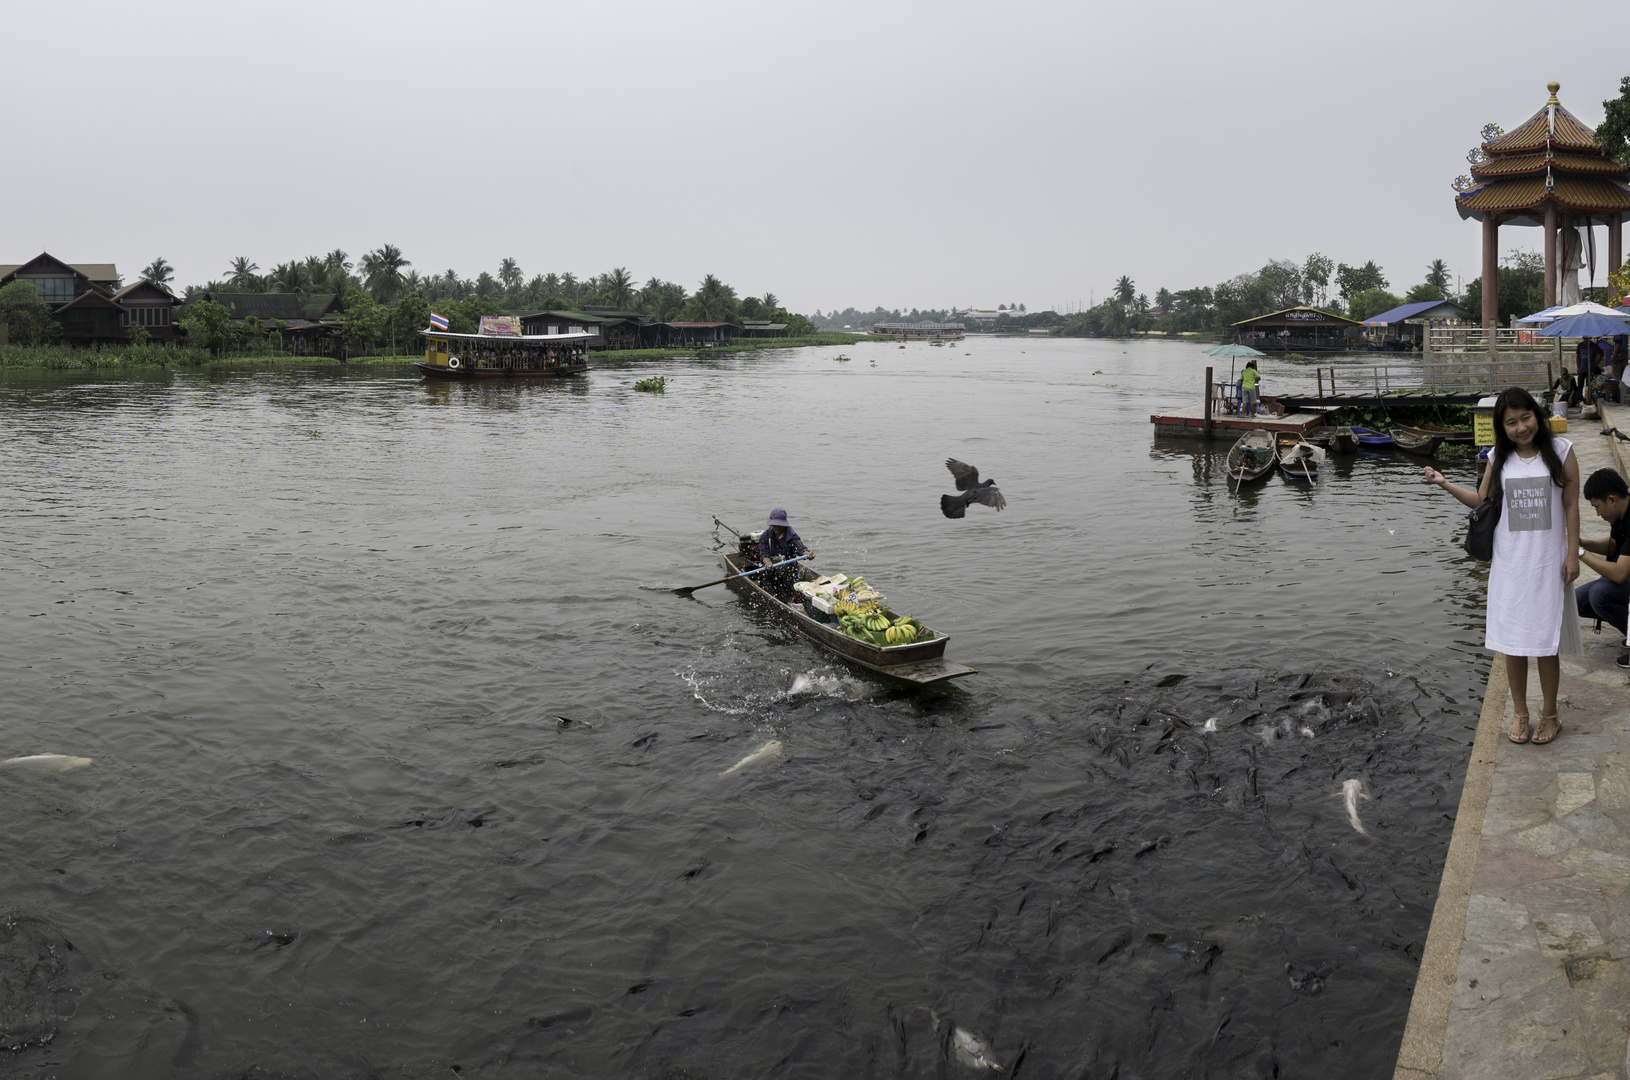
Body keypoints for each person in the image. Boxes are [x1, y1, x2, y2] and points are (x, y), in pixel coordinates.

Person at [1423, 387, 1580, 745]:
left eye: (1525, 418)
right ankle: (1521, 713)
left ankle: (1550, 714)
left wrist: (1572, 553)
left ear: (1537, 417)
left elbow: (1571, 505)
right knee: (1513, 642)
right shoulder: (1499, 458)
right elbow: (1481, 501)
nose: (1521, 427)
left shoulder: (1562, 451)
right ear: (1502, 426)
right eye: (1511, 422)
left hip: (1547, 561)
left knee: (1544, 642)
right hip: (1511, 562)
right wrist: (1444, 483)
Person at [1577, 468, 1630, 667]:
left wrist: (1579, 552)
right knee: (1578, 601)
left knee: (1601, 594)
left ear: (1611, 499)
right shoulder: (1621, 512)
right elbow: (1616, 544)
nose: (1598, 514)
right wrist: (1584, 543)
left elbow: (1619, 574)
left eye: (1597, 507)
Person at [758, 508, 813, 601]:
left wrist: (807, 554)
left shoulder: (791, 536)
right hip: (771, 569)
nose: (777, 528)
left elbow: (800, 548)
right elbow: (764, 554)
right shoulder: (765, 536)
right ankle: (773, 597)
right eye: (775, 525)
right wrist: (768, 563)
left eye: (780, 525)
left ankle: (787, 599)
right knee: (764, 575)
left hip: (789, 570)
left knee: (784, 574)